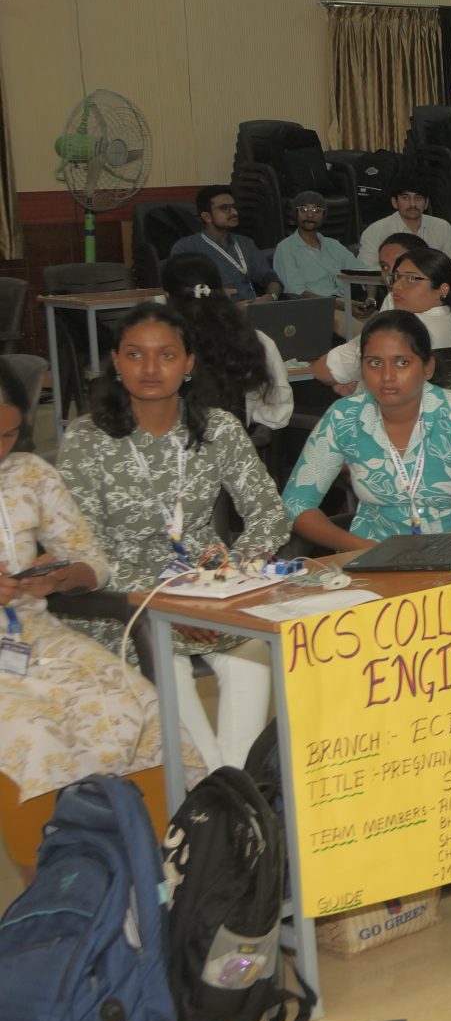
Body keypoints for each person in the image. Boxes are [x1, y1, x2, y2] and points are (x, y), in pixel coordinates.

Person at [58, 304, 288, 776]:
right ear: (115, 362)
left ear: (188, 363)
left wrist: (229, 580)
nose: (150, 368)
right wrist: (171, 604)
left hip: (212, 591)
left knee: (251, 656)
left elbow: (269, 513)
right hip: (128, 604)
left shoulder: (219, 427)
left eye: (166, 355)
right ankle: (215, 793)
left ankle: (228, 795)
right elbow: (85, 549)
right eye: (134, 354)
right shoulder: (85, 438)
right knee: (168, 665)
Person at [0, 359, 166, 805]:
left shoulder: (28, 473)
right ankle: (63, 847)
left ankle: (148, 837)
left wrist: (60, 577)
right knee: (37, 734)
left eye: (8, 434)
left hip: (34, 636)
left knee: (137, 703)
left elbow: (92, 561)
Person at [282, 310, 451, 549]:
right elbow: (295, 504)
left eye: (402, 362)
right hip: (370, 554)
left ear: (427, 367)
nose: (387, 376)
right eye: (375, 363)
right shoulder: (345, 416)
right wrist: (364, 549)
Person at [312, 244, 451, 392]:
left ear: (442, 289)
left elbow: (323, 371)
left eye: (411, 279)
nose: (397, 286)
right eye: (396, 277)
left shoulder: (395, 330)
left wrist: (356, 385)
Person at [157, 257, 293, 434]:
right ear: (222, 292)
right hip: (233, 443)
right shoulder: (256, 340)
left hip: (166, 444)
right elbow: (279, 415)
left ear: (167, 296)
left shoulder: (156, 347)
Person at [169, 184, 280, 301]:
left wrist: (271, 296)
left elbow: (270, 278)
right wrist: (215, 295)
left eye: (233, 207)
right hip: (213, 309)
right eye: (224, 208)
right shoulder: (186, 247)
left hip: (253, 307)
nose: (234, 212)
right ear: (207, 216)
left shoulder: (245, 243)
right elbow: (181, 289)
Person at [358, 173, 451, 265]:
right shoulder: (376, 231)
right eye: (405, 198)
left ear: (426, 203)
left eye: (418, 198)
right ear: (394, 202)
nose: (412, 204)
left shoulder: (442, 227)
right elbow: (366, 273)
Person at [272, 190, 358, 301]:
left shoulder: (334, 245)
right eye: (303, 210)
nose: (310, 215)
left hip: (344, 302)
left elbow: (362, 271)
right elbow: (296, 291)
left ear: (323, 216)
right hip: (311, 306)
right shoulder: (285, 248)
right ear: (295, 214)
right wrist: (339, 304)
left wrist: (369, 300)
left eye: (316, 210)